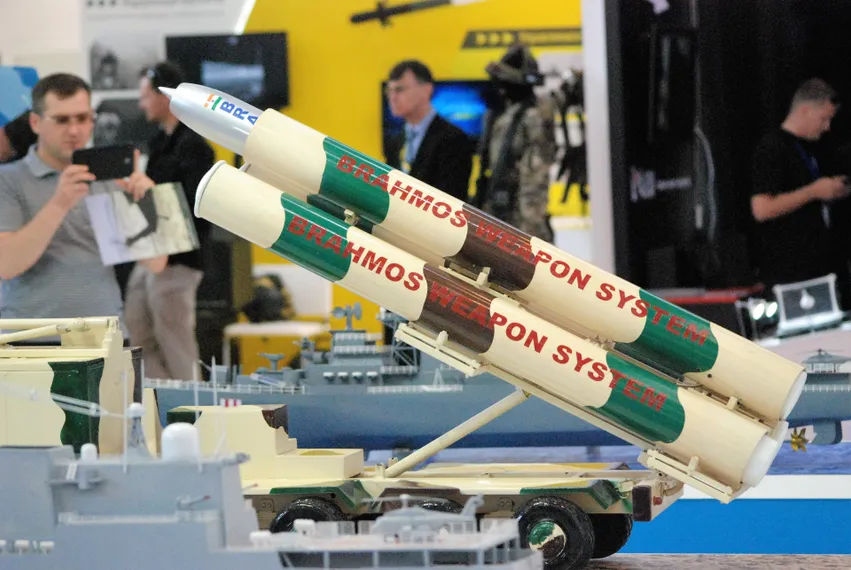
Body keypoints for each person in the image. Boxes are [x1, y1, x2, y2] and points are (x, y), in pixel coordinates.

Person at [117, 62, 215, 380]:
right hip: (150, 251)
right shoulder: (159, 143)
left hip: (178, 257)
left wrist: (153, 193)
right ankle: (158, 400)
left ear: (164, 96)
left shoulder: (194, 146)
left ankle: (191, 403)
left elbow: (195, 206)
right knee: (137, 328)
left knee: (175, 339)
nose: (141, 104)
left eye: (145, 96)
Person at [0, 73, 125, 322]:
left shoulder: (107, 176)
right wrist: (60, 203)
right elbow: (7, 264)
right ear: (35, 122)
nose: (74, 130)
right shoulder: (7, 180)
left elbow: (156, 263)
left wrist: (149, 200)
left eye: (83, 118)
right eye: (61, 120)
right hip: (33, 333)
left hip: (105, 328)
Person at [750, 78, 851, 302]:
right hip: (791, 273)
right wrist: (813, 191)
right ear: (805, 110)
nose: (827, 127)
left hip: (822, 266)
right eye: (823, 119)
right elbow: (761, 209)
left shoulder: (814, 148)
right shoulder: (772, 148)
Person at [474, 44, 557, 243]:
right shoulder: (505, 117)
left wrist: (529, 239)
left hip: (520, 227)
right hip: (500, 220)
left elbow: (534, 183)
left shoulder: (532, 118)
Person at [383, 60, 474, 202]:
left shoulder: (453, 139)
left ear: (426, 89)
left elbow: (452, 198)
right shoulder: (395, 141)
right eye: (389, 90)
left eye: (400, 89)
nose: (392, 97)